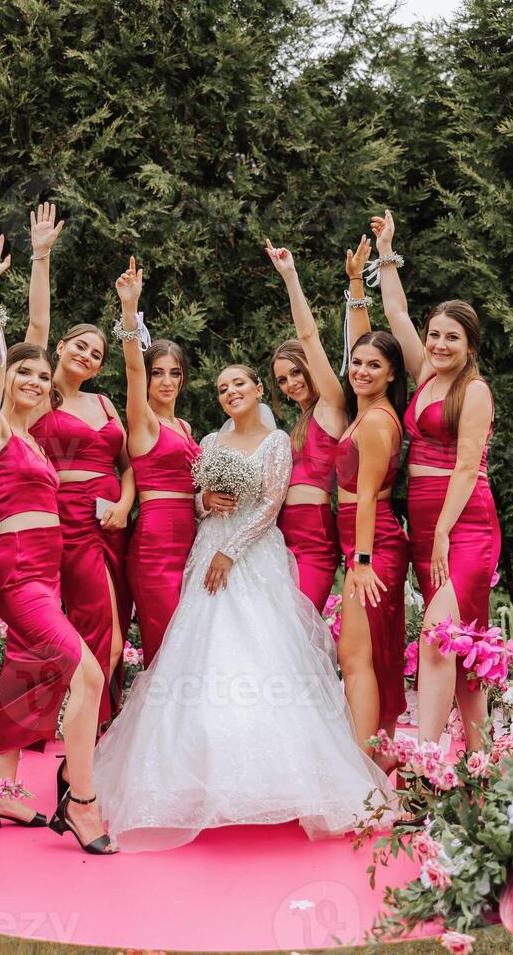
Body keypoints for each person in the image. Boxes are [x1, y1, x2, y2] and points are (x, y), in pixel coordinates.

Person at [94, 360, 392, 852]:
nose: (230, 392)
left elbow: (272, 503)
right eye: (221, 387)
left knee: (261, 656)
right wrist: (206, 502)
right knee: (200, 659)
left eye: (239, 384)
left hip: (252, 559)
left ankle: (279, 780)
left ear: (257, 390)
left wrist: (231, 551)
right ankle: (194, 779)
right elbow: (194, 503)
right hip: (206, 554)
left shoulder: (276, 443)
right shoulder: (209, 443)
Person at [0, 228, 114, 854]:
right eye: (22, 373)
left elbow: (35, 339)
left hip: (45, 575)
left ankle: (1, 794)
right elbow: (3, 354)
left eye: (39, 374)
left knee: (27, 675)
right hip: (21, 575)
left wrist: (44, 258)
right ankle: (80, 801)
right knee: (86, 678)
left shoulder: (34, 436)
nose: (31, 380)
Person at [370, 209, 500, 750]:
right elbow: (395, 309)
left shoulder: (474, 391)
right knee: (462, 641)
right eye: (434, 335)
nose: (440, 344)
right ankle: (480, 757)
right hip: (425, 524)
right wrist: (386, 251)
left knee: (437, 637)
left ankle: (426, 761)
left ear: (469, 345)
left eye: (452, 338)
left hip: (464, 522)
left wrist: (445, 530)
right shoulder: (425, 374)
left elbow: (468, 466)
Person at [26, 204, 134, 745]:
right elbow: (35, 327)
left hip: (116, 524)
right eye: (81, 347)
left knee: (115, 631)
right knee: (105, 638)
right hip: (71, 526)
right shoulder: (40, 393)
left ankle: (97, 740)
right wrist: (41, 256)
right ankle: (83, 753)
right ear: (62, 348)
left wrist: (126, 504)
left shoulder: (107, 403)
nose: (89, 356)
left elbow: (129, 465)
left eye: (97, 353)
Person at [267, 236, 372, 613]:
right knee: (274, 632)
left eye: (296, 372)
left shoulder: (331, 406)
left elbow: (308, 336)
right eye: (281, 380)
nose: (291, 383)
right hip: (279, 532)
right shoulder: (299, 422)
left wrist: (290, 277)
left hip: (314, 534)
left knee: (299, 626)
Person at [115, 257, 200, 668]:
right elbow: (131, 366)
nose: (166, 381)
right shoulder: (143, 421)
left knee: (190, 646)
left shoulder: (184, 426)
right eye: (158, 373)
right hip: (154, 548)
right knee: (165, 651)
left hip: (191, 544)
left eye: (175, 373)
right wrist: (130, 311)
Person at [335, 331, 409, 758]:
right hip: (361, 541)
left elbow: (366, 496)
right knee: (364, 654)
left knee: (358, 655)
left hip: (373, 543)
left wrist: (361, 561)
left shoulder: (379, 420)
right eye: (358, 362)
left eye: (374, 365)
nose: (362, 371)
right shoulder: (365, 414)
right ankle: (374, 752)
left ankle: (364, 760)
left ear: (391, 372)